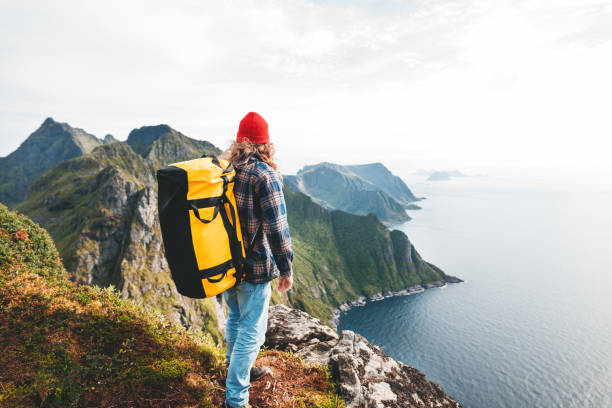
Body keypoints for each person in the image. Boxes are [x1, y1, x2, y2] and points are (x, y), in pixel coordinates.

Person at [219, 112, 294, 408]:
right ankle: (236, 400)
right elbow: (277, 228)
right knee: (252, 331)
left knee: (236, 319)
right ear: (266, 144)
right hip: (256, 267)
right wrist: (285, 268)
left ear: (239, 141)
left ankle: (236, 372)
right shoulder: (265, 174)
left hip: (227, 264)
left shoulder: (225, 169)